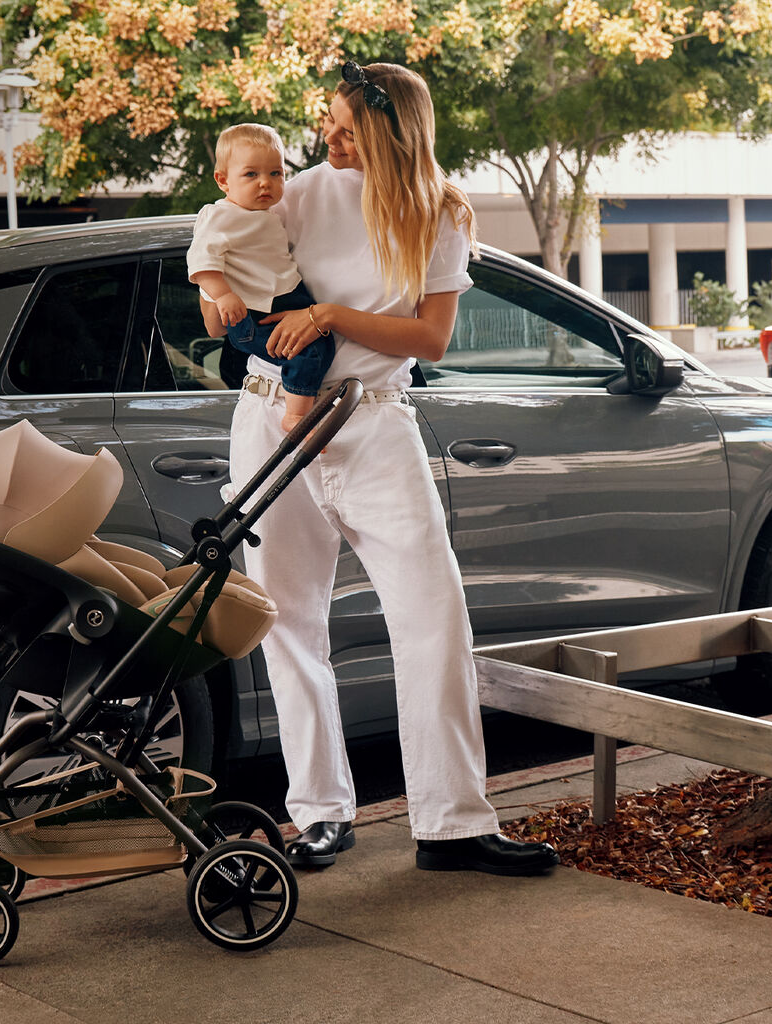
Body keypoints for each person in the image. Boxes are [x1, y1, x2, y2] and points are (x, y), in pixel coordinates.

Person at [215, 61, 557, 877]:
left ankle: (453, 823)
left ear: (392, 131)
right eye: (326, 123)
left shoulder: (438, 211)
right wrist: (216, 293)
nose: (326, 139)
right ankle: (320, 815)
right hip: (274, 419)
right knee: (288, 624)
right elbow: (222, 243)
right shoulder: (294, 193)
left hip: (374, 425)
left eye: (345, 128)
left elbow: (432, 340)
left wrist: (331, 315)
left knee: (433, 617)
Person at [188, 124, 323, 434]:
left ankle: (300, 408)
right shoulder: (219, 215)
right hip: (256, 314)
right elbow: (201, 263)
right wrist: (223, 295)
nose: (266, 183)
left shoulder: (268, 215)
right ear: (223, 180)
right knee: (309, 350)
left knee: (316, 342)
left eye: (276, 173)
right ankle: (297, 416)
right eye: (251, 175)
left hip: (285, 297)